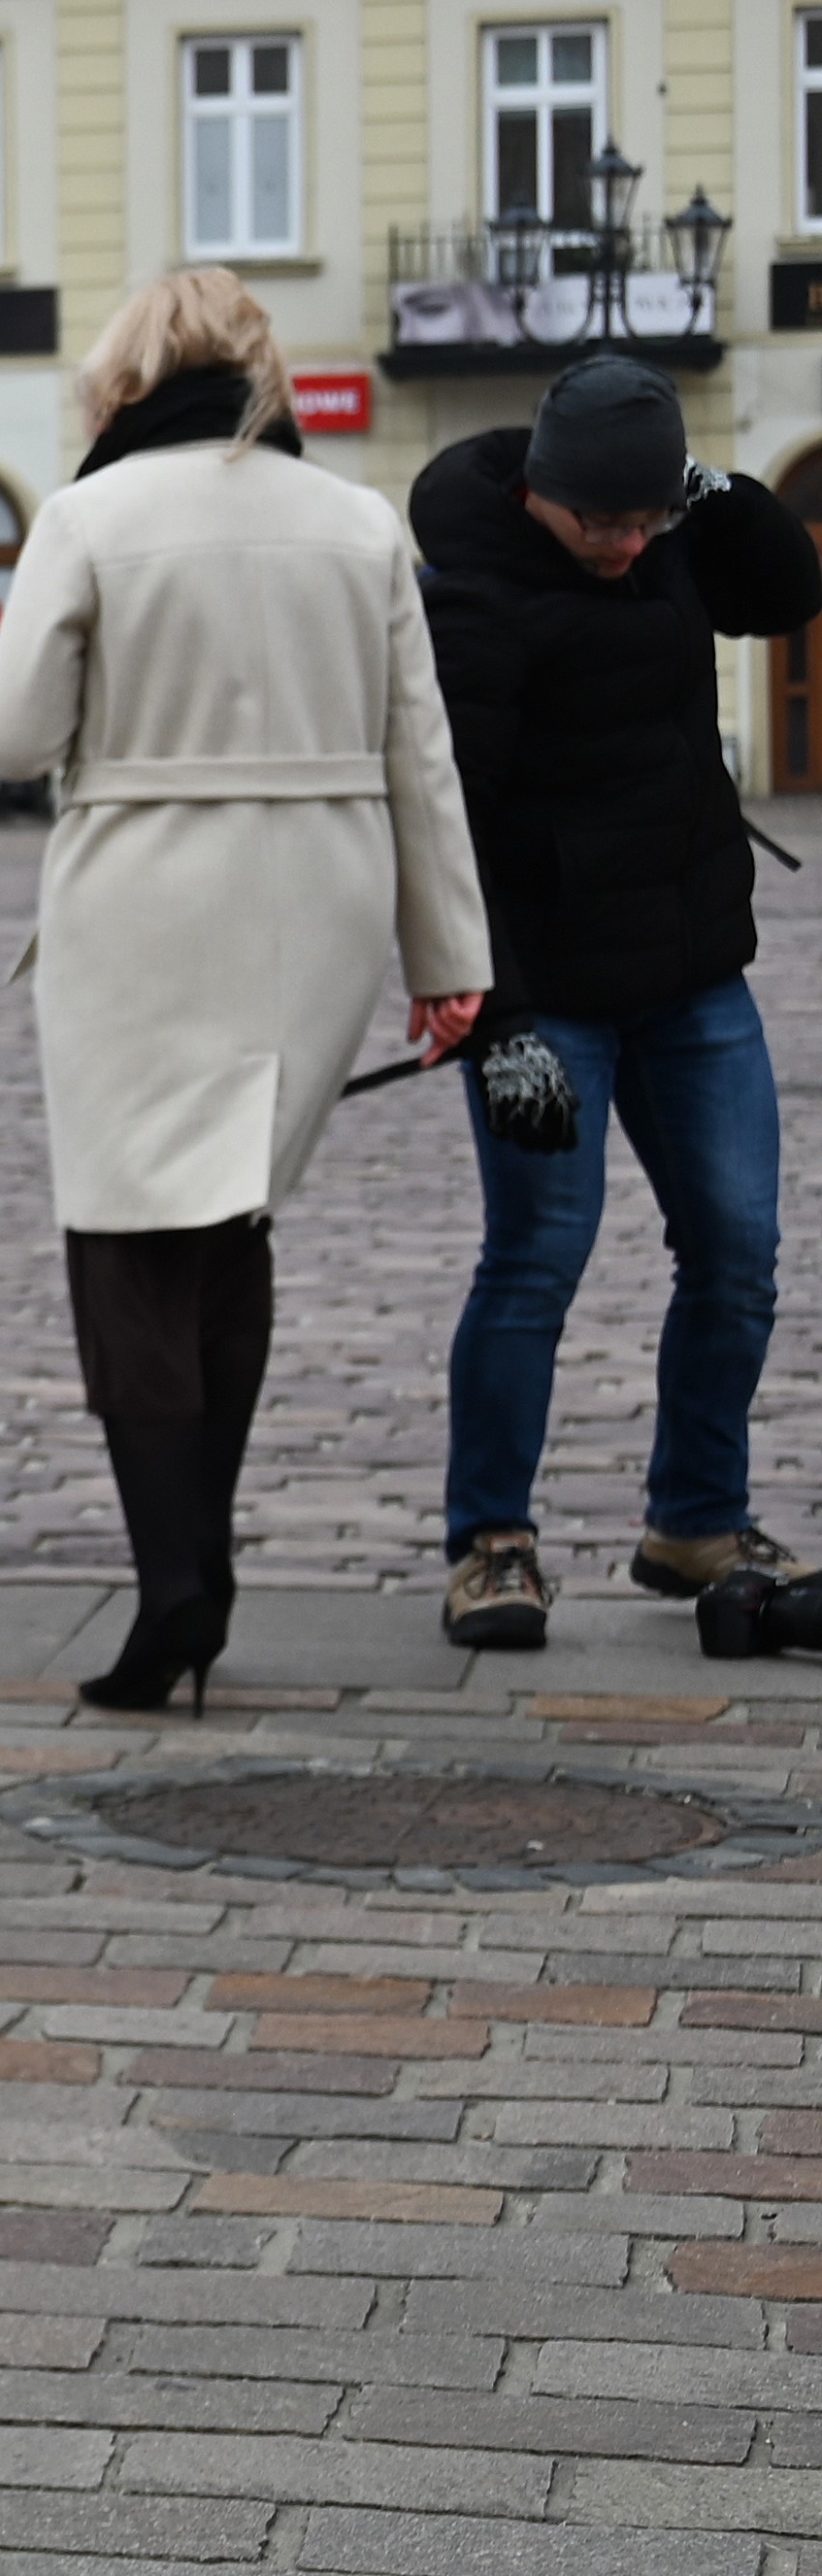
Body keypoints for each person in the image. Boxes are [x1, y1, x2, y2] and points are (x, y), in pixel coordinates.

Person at [0, 275, 485, 1715]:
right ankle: (202, 1558)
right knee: (230, 1220)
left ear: (124, 376)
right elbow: (421, 754)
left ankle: (175, 1580)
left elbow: (8, 737)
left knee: (128, 1242)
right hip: (324, 898)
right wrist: (452, 960)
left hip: (145, 893)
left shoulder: (92, 514)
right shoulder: (359, 522)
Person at [410, 351, 822, 1649]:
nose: (624, 544)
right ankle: (492, 1541)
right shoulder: (473, 594)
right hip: (553, 998)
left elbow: (788, 591)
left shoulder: (669, 542)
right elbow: (448, 828)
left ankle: (696, 1519)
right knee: (536, 1258)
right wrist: (501, 1024)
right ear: (541, 487)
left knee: (739, 1254)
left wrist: (711, 493)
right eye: (602, 519)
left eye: (646, 517)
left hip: (692, 972)